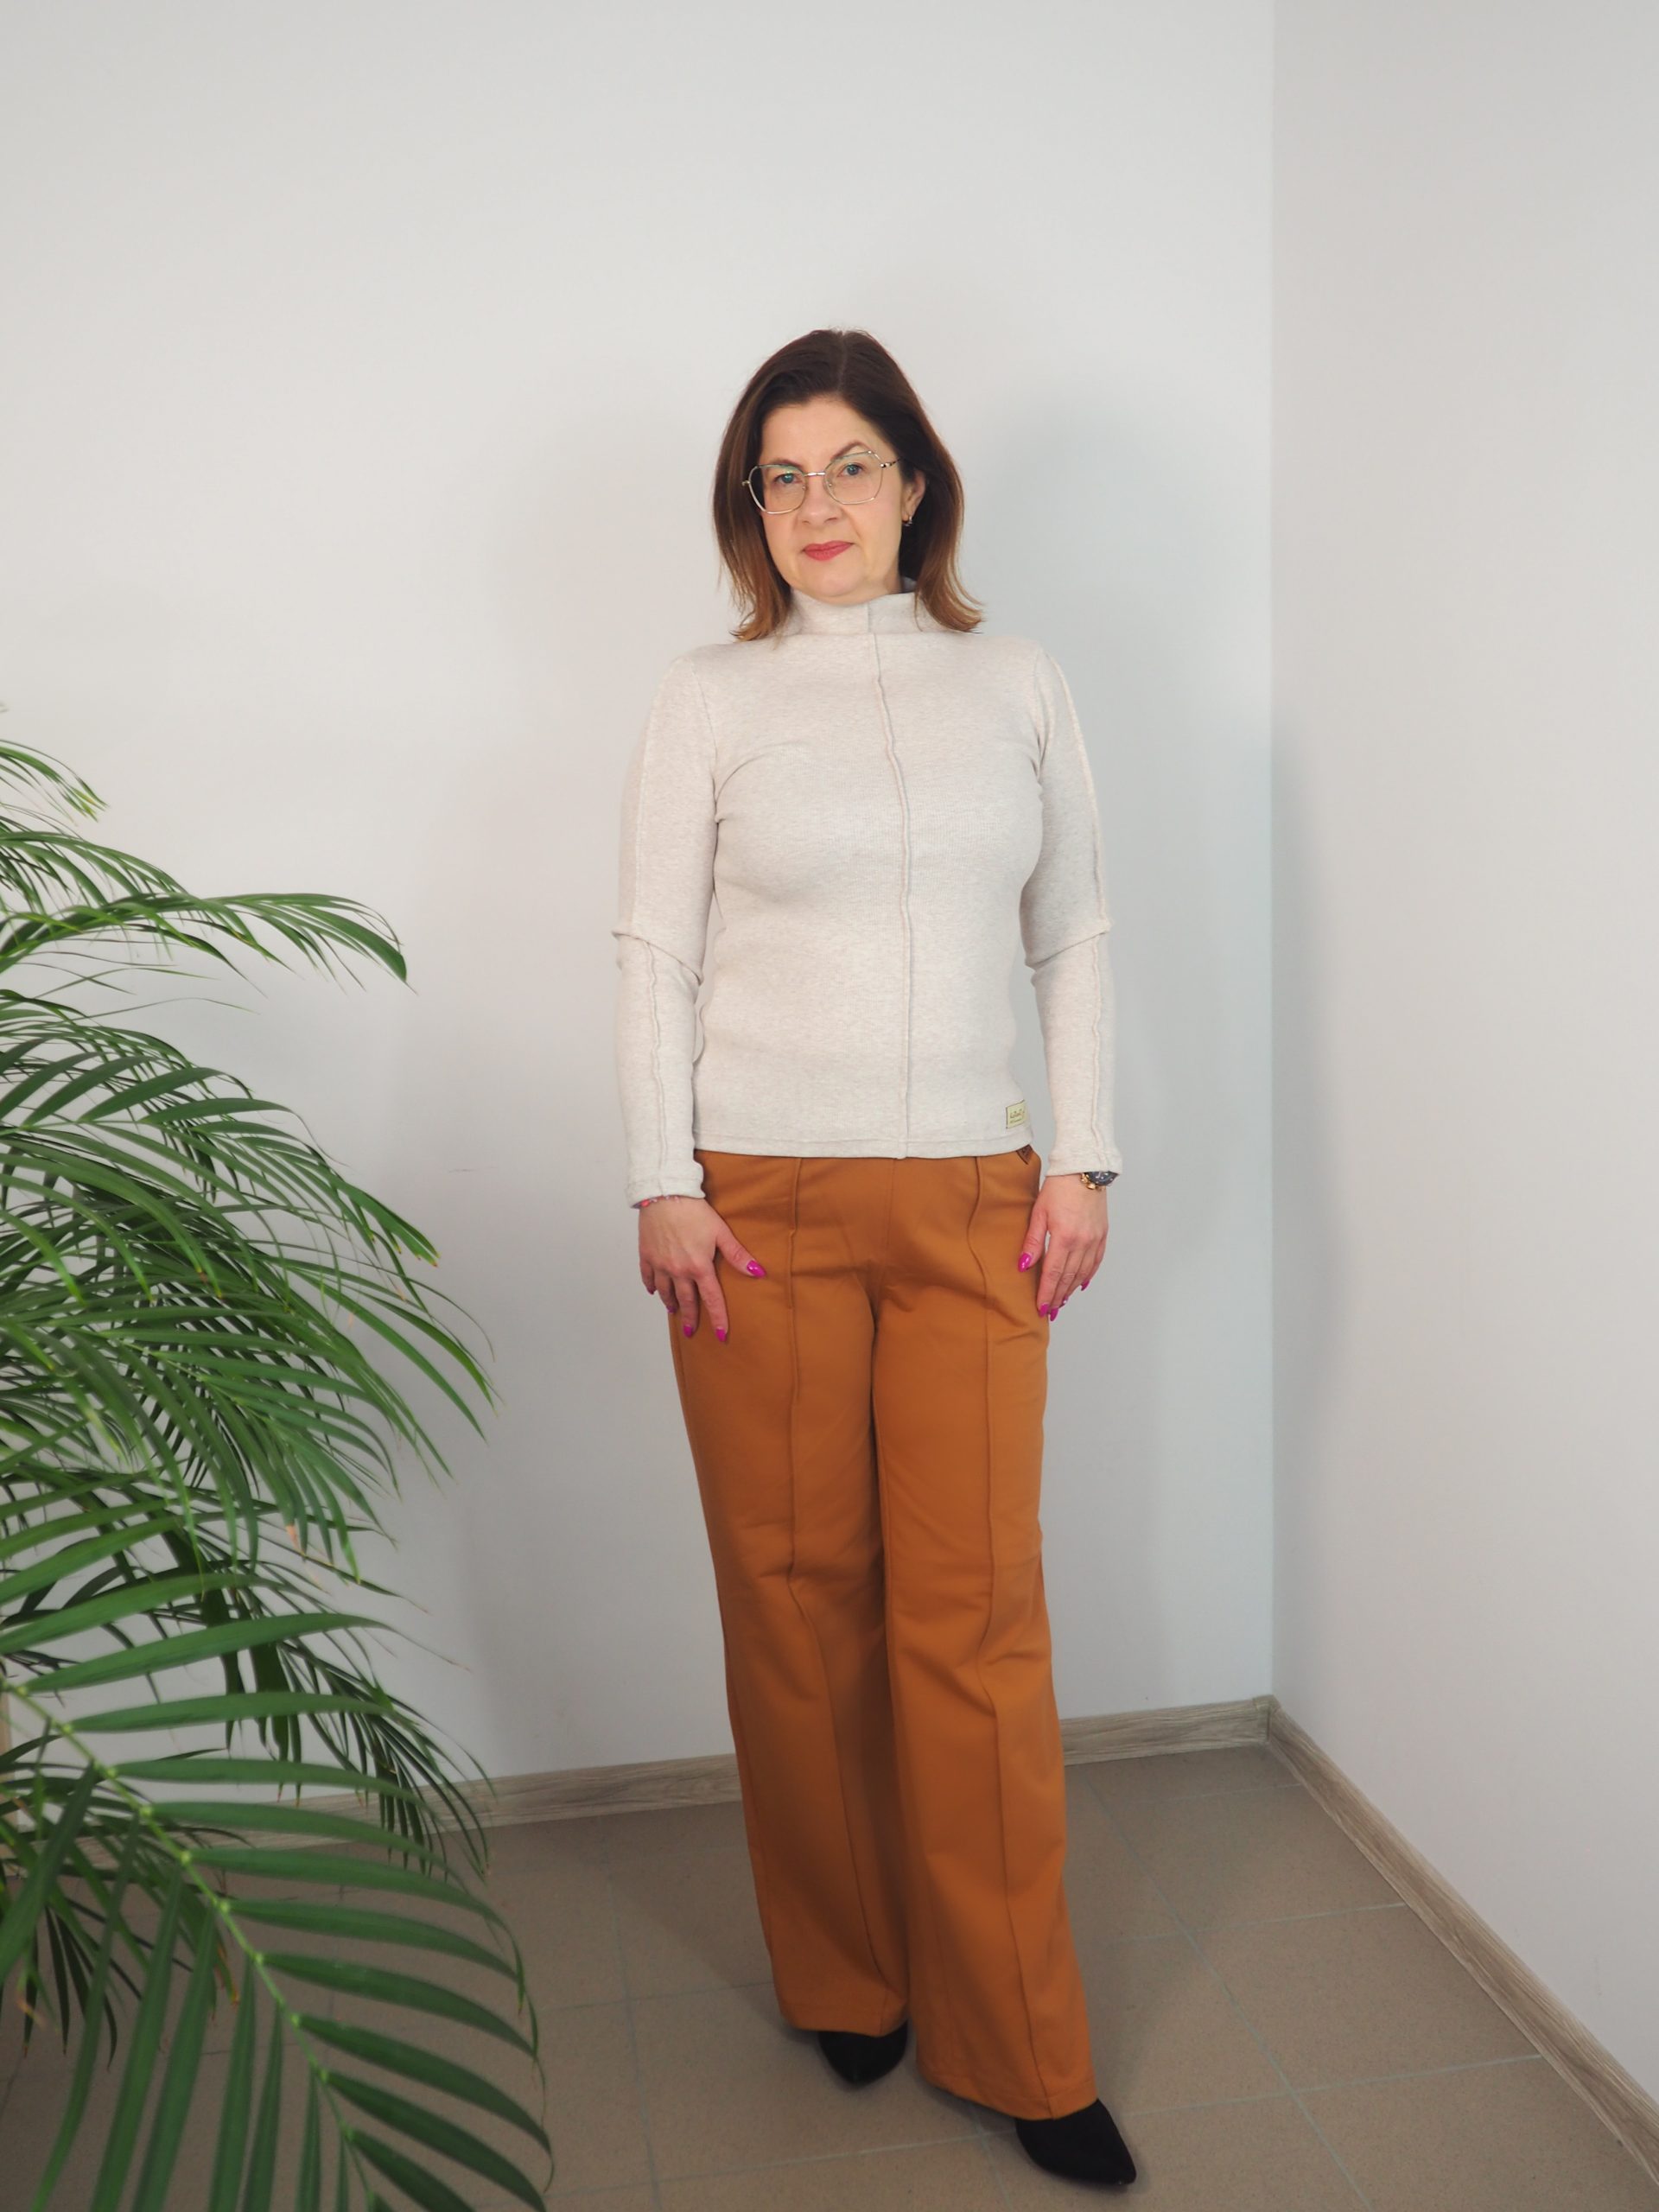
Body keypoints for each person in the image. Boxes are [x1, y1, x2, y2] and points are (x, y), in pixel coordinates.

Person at [610, 327, 1136, 2190]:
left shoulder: (1018, 679)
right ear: (751, 510)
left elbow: (1073, 931)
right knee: (793, 1595)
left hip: (976, 1201)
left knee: (975, 1615)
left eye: (850, 466)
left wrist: (1082, 1157)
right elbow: (654, 949)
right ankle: (846, 1974)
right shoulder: (709, 696)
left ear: (916, 482)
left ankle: (1024, 2042)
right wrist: (659, 1176)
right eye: (782, 476)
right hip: (751, 1206)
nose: (817, 506)